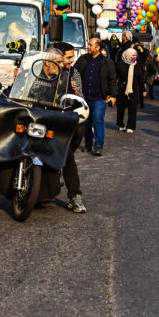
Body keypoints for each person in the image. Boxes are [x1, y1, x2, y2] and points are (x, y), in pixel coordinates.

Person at [0, 48, 73, 211]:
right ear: (47, 63)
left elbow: (67, 97)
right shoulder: (28, 74)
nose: (62, 65)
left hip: (48, 120)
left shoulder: (64, 78)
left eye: (62, 62)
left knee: (65, 151)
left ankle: (75, 195)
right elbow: (13, 90)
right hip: (26, 116)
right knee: (7, 149)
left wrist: (73, 102)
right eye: (58, 62)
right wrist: (2, 99)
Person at [52, 42, 86, 213]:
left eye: (73, 57)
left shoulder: (73, 73)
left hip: (62, 118)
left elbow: (80, 97)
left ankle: (75, 196)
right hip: (40, 116)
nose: (72, 60)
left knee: (68, 153)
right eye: (69, 57)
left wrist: (76, 92)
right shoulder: (40, 69)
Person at [74, 38, 118, 157]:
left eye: (90, 45)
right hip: (84, 98)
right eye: (88, 45)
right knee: (86, 123)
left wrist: (113, 95)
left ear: (98, 48)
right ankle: (88, 143)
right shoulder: (83, 59)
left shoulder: (106, 62)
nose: (88, 47)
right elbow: (74, 73)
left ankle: (98, 145)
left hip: (99, 98)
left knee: (98, 121)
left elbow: (112, 79)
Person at [116, 48, 146, 134]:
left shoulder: (137, 66)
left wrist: (143, 90)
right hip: (122, 90)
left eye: (135, 56)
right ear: (127, 55)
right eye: (133, 55)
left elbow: (141, 79)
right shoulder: (120, 65)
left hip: (134, 90)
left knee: (132, 109)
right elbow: (115, 77)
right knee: (120, 108)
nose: (134, 57)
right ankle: (120, 124)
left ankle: (130, 126)